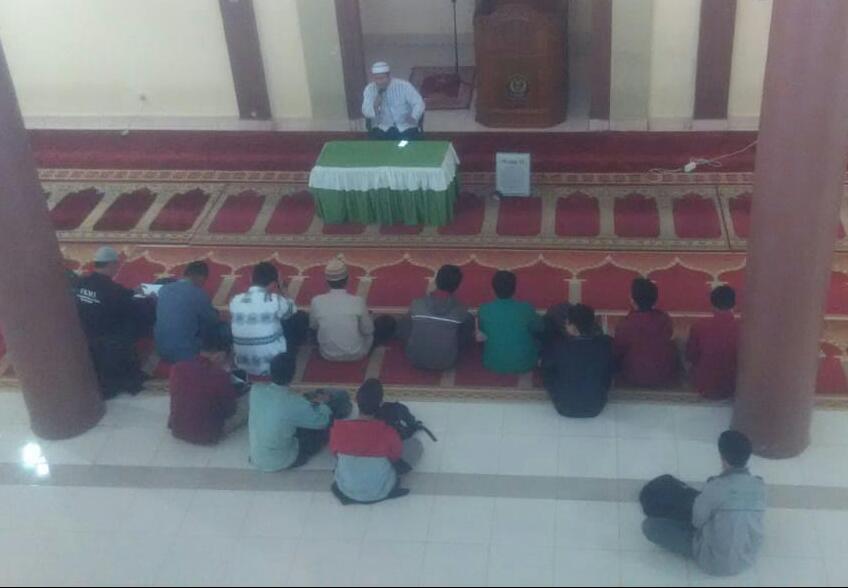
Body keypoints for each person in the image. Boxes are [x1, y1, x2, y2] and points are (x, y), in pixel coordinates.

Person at [641, 430, 766, 577]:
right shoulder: (760, 486)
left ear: (723, 457)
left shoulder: (716, 487)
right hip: (746, 559)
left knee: (650, 526)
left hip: (712, 561)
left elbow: (697, 521)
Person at [330, 379, 421, 504]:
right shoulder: (387, 432)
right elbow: (395, 457)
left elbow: (335, 454)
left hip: (346, 490)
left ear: (356, 401)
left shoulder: (338, 429)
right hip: (381, 491)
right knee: (415, 445)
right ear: (380, 403)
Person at [75, 246, 149, 398]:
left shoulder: (80, 283)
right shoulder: (113, 289)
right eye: (117, 265)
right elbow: (127, 305)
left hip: (82, 338)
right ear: (111, 264)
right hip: (106, 344)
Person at [249, 352, 334, 472]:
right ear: (293, 375)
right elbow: (323, 421)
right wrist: (323, 403)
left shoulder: (255, 390)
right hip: (283, 459)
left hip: (256, 456)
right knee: (333, 411)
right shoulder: (293, 402)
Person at [168, 330, 247, 446]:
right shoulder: (221, 376)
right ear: (220, 355)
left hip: (177, 429)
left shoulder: (177, 368)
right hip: (208, 434)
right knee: (249, 403)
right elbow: (230, 411)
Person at [229, 262, 308, 377]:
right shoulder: (275, 300)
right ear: (273, 284)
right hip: (274, 367)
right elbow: (292, 310)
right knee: (299, 317)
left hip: (243, 366)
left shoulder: (235, 300)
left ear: (251, 278)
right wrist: (283, 288)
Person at [541, 304, 614, 418]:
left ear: (574, 328)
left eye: (567, 323)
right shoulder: (605, 345)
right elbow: (609, 374)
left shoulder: (557, 347)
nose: (565, 325)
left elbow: (546, 373)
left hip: (563, 405)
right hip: (596, 405)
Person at [399, 264, 475, 371]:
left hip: (415, 358)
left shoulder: (417, 304)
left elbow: (403, 329)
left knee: (409, 321)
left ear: (436, 281)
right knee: (468, 321)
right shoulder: (461, 310)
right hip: (446, 361)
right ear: (457, 286)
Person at [613, 278, 679, 387]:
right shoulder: (664, 319)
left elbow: (617, 351)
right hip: (662, 376)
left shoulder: (626, 323)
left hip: (632, 377)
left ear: (632, 299)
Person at [154, 261, 223, 364]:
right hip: (185, 353)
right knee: (222, 329)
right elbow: (213, 320)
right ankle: (210, 355)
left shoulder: (164, 289)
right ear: (201, 278)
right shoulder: (198, 293)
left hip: (161, 349)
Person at [310, 259, 378, 362]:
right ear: (347, 279)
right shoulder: (357, 301)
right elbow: (368, 330)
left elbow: (313, 326)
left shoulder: (317, 301)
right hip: (356, 353)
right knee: (384, 323)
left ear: (327, 281)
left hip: (327, 354)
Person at [478, 270, 543, 374]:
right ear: (515, 289)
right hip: (525, 363)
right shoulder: (526, 308)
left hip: (492, 363)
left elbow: (482, 332)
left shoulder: (484, 309)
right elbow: (539, 328)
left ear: (492, 290)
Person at [687, 286, 740, 399]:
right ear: (735, 304)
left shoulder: (699, 325)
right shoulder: (743, 328)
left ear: (712, 304)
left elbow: (691, 357)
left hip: (705, 387)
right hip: (734, 386)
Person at [362, 61, 425, 141]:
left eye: (382, 78)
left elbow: (419, 103)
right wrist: (375, 106)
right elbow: (366, 111)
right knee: (379, 145)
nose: (379, 82)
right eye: (376, 79)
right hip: (382, 128)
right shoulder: (369, 89)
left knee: (405, 145)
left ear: (389, 76)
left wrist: (413, 116)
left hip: (405, 126)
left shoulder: (404, 86)